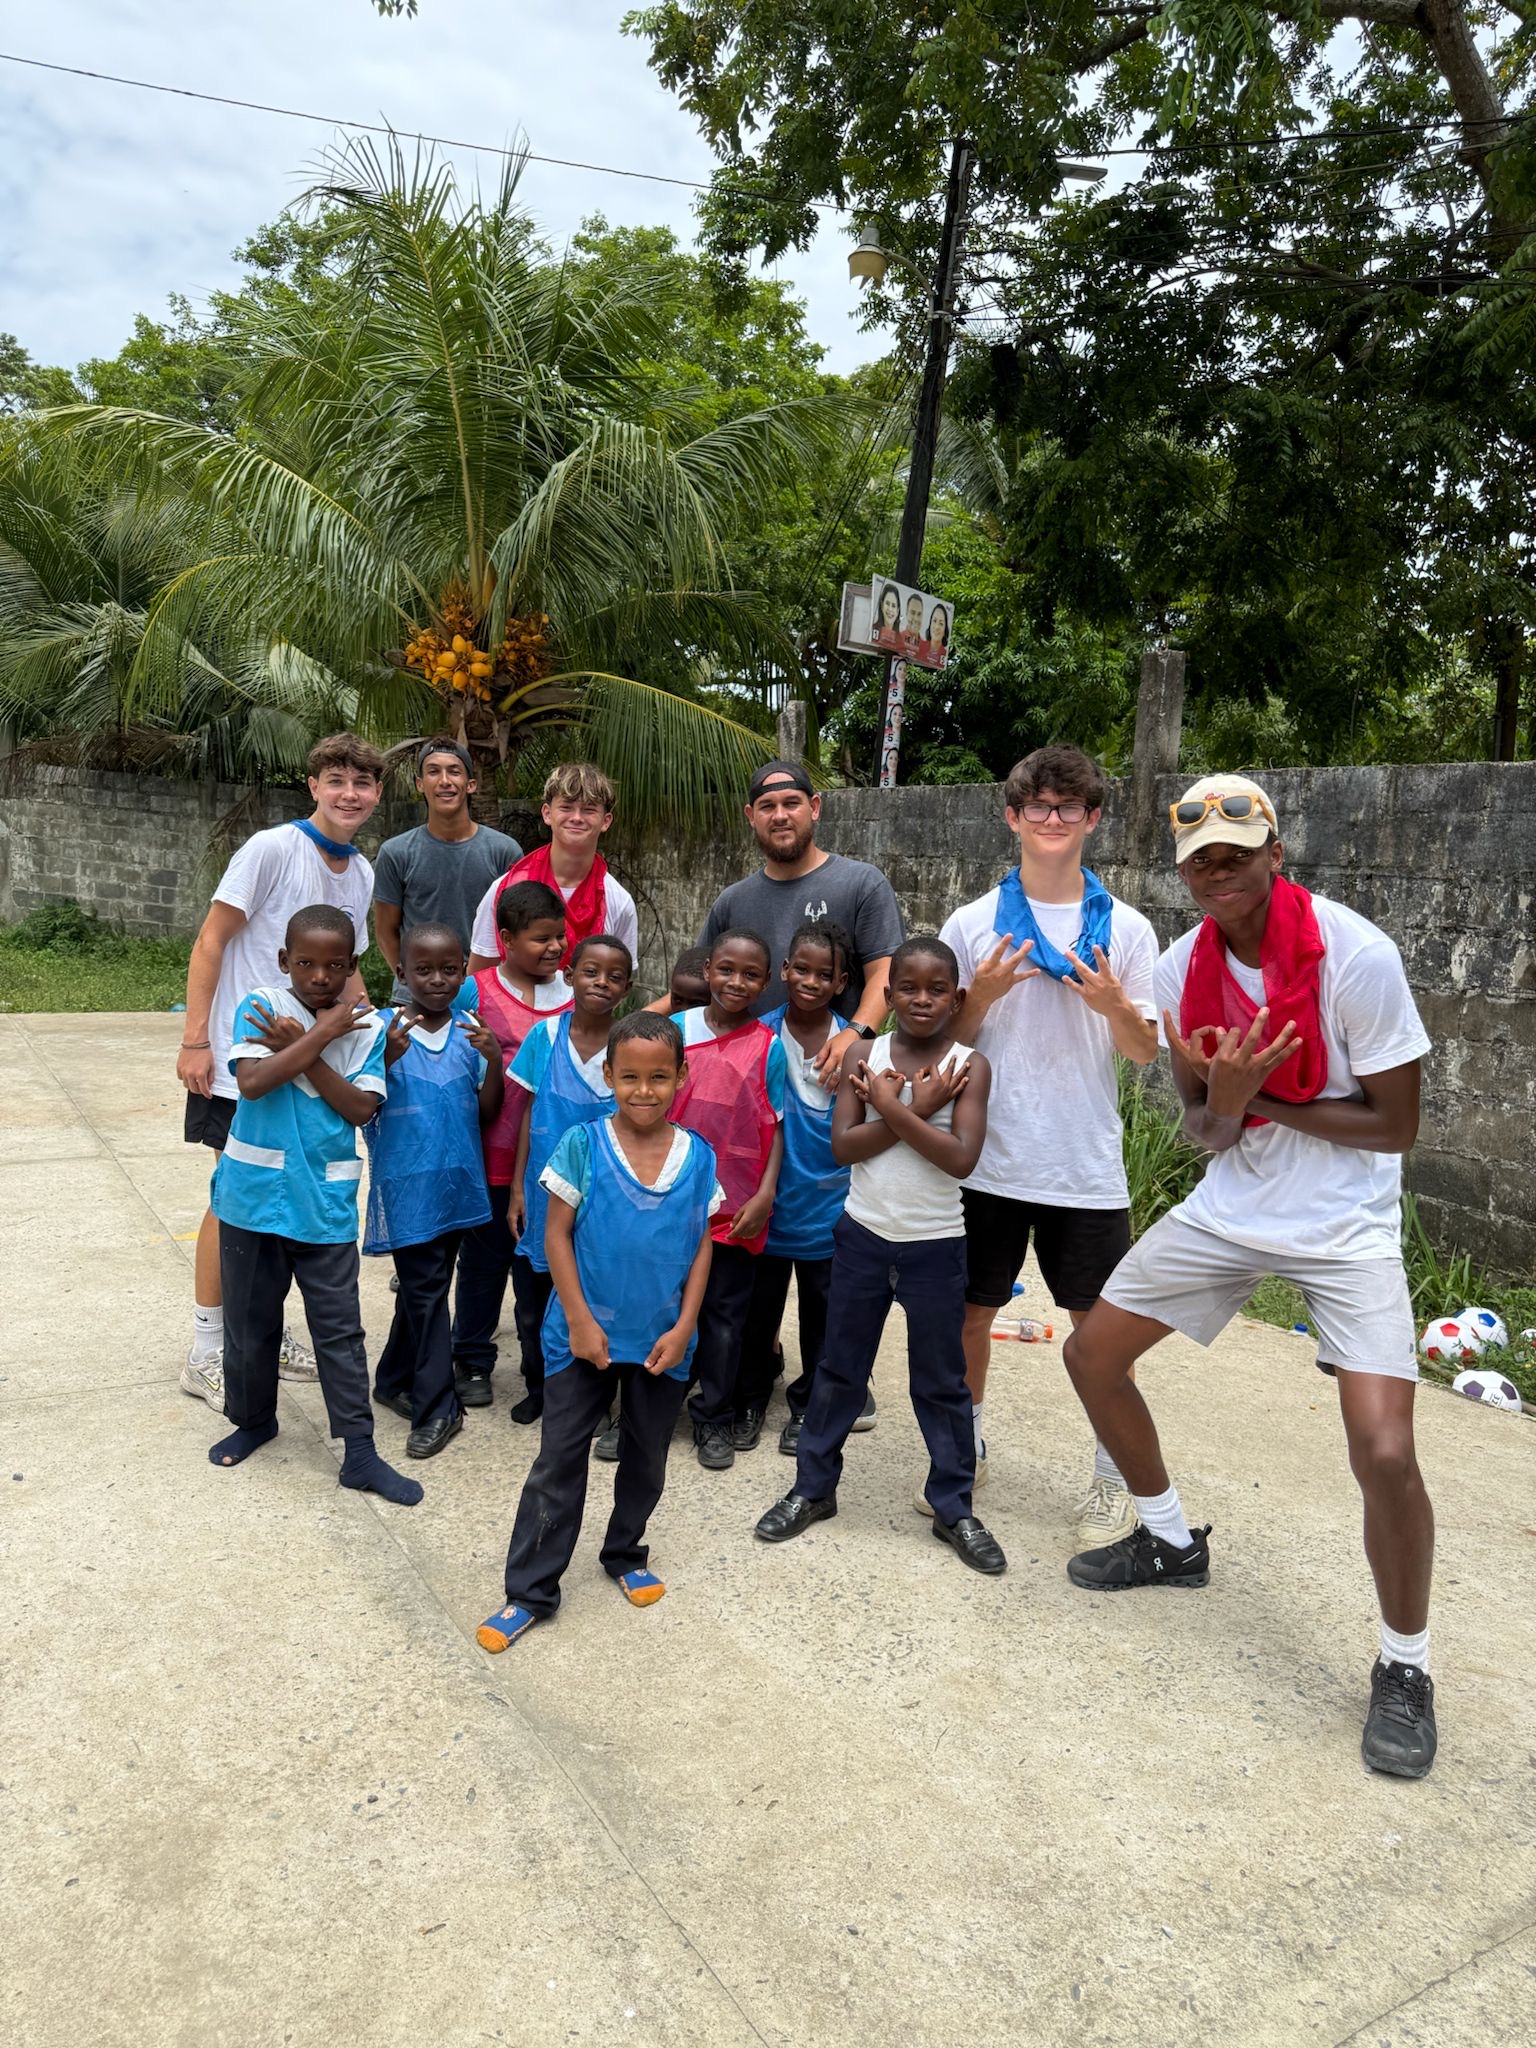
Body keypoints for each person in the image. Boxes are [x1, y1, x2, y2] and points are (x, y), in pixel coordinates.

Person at [1061, 774, 1438, 1779]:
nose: (1218, 872)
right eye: (1201, 861)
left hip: (1346, 1226)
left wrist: (1257, 1094)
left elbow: (1396, 1126)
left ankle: (1405, 1665)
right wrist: (1227, 1100)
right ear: (1184, 873)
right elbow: (1203, 1129)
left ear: (1276, 852)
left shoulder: (1356, 956)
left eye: (1236, 854)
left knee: (1385, 1450)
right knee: (1092, 1355)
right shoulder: (1182, 967)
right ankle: (1169, 1540)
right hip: (1233, 1207)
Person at [936, 745, 1159, 1544]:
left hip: (1082, 1161)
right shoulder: (973, 923)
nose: (1054, 819)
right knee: (970, 1315)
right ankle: (962, 1456)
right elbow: (943, 1044)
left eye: (1070, 807)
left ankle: (1113, 1481)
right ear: (1013, 817)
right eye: (1039, 805)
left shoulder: (1127, 929)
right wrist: (981, 997)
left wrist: (1114, 1005)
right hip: (986, 1155)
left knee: (1100, 1332)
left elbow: (1144, 1052)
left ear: (1093, 819)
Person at [755, 937, 1007, 1574]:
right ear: (888, 995)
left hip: (936, 1243)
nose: (922, 999)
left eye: (937, 989)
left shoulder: (970, 1065)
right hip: (863, 1237)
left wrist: (892, 1105)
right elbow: (843, 1147)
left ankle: (953, 1505)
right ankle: (813, 1488)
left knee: (941, 1381)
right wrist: (918, 1108)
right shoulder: (863, 1054)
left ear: (957, 999)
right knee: (839, 1370)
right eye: (909, 988)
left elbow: (960, 1159)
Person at [476, 1014, 721, 1650]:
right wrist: (580, 1320)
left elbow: (701, 1245)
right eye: (630, 1076)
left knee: (647, 1455)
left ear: (681, 1078)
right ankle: (529, 1591)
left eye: (659, 1077)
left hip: (663, 1342)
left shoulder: (698, 1156)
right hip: (581, 1340)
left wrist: (686, 1325)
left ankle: (625, 1552)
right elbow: (555, 1235)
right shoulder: (581, 1145)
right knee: (559, 1460)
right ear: (608, 1075)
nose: (644, 1090)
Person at [176, 733, 383, 1414]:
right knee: (231, 1201)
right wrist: (196, 1040)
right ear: (313, 785)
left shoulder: (361, 872)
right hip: (246, 1062)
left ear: (377, 794)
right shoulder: (271, 849)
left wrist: (368, 1030)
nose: (349, 794)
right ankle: (208, 1349)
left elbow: (351, 970)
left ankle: (263, 1334)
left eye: (362, 782)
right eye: (336, 780)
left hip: (311, 1068)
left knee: (286, 1203)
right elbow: (212, 939)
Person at [204, 904, 420, 1506]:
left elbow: (360, 1109)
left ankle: (359, 1452)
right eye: (305, 963)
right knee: (249, 1324)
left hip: (324, 1206)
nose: (319, 976)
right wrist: (323, 1037)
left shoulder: (369, 1030)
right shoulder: (262, 1005)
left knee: (340, 1331)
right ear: (284, 961)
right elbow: (253, 1082)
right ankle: (254, 1421)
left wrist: (308, 1045)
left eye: (334, 965)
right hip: (251, 1200)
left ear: (352, 966)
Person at [363, 924, 505, 1458]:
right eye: (423, 970)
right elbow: (363, 1103)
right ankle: (439, 1407)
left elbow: (487, 1112)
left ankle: (392, 1378)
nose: (438, 980)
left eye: (449, 969)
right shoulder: (384, 1029)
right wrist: (383, 1058)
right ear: (402, 973)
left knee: (428, 1286)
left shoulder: (471, 1032)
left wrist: (494, 1061)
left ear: (464, 971)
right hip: (407, 1185)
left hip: (457, 1183)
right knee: (425, 1293)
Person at [737, 922, 857, 1455]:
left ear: (841, 982)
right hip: (768, 1206)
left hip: (830, 1209)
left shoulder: (854, 1045)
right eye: (801, 969)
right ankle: (751, 1396)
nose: (811, 981)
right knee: (757, 1312)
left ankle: (811, 1404)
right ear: (784, 971)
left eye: (824, 974)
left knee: (823, 1317)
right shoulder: (758, 1036)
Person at [697, 761, 906, 1067]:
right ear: (751, 816)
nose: (780, 816)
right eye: (767, 806)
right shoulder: (731, 901)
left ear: (814, 807)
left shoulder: (862, 884)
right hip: (746, 1073)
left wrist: (855, 1033)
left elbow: (885, 973)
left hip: (831, 1072)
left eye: (792, 803)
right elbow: (697, 982)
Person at [450, 880, 571, 1408]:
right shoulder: (475, 991)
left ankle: (541, 1368)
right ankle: (472, 1360)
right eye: (541, 938)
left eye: (560, 936)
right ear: (505, 939)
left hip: (551, 1166)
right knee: (482, 1265)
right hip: (489, 1161)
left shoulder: (577, 996)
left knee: (538, 1274)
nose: (555, 947)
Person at [670, 929, 786, 1470]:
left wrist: (765, 1193)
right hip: (669, 1201)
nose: (736, 982)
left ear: (766, 982)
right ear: (708, 970)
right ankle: (645, 1410)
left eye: (750, 974)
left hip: (734, 1208)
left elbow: (776, 1125)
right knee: (661, 1308)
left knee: (724, 1317)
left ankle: (713, 1416)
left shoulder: (768, 1045)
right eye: (726, 970)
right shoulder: (674, 1032)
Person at [507, 934, 634, 1424]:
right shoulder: (545, 1037)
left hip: (603, 1203)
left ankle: (591, 1397)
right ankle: (539, 1386)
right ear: (568, 976)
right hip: (544, 1199)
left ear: (627, 989)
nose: (601, 983)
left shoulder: (629, 1048)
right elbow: (528, 1115)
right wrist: (517, 1189)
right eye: (591, 972)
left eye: (614, 977)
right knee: (533, 1302)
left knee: (596, 1299)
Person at [372, 739, 522, 1005]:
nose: (444, 781)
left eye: (454, 771)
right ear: (420, 784)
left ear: (470, 784)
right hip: (414, 1001)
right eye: (433, 771)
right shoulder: (395, 853)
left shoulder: (504, 851)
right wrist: (412, 980)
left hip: (485, 997)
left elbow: (515, 929)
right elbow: (385, 930)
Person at [468, 762, 638, 974]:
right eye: (566, 807)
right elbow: (478, 978)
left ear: (606, 821)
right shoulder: (506, 888)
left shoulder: (619, 902)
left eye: (589, 810)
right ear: (547, 813)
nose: (576, 818)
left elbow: (618, 979)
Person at [871, 582, 904, 652]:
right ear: (882, 605)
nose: (890, 609)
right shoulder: (872, 630)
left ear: (898, 610)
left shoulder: (901, 642)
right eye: (887, 603)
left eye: (893, 606)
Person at [920, 603, 950, 668]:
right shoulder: (918, 647)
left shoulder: (945, 656)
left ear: (945, 630)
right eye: (934, 621)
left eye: (941, 623)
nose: (937, 627)